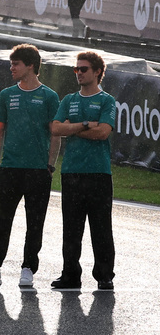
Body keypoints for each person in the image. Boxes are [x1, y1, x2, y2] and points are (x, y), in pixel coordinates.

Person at [0, 44, 61, 290]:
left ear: (31, 66)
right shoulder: (6, 95)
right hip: (9, 169)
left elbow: (55, 135)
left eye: (16, 64)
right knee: (2, 219)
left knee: (35, 221)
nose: (11, 68)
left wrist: (49, 166)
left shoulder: (49, 96)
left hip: (38, 171)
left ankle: (28, 268)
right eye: (11, 63)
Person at [49, 51, 116, 291]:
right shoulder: (69, 100)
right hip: (72, 171)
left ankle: (104, 275)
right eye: (76, 69)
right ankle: (70, 275)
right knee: (71, 227)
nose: (79, 73)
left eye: (84, 69)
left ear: (98, 71)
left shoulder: (107, 100)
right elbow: (56, 128)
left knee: (101, 227)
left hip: (99, 172)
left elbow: (103, 133)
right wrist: (86, 124)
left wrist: (72, 128)